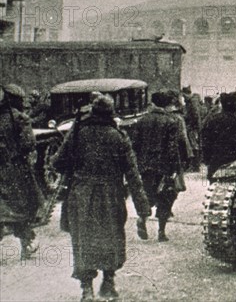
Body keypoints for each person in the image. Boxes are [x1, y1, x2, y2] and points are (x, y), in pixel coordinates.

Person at [52, 95, 150, 302]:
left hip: (81, 194)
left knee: (83, 240)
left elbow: (57, 163)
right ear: (112, 113)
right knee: (111, 238)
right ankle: (108, 283)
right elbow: (132, 174)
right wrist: (142, 210)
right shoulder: (119, 136)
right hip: (111, 195)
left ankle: (86, 289)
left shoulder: (78, 133)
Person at [129, 91, 189, 242]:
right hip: (164, 166)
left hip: (145, 166)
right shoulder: (171, 121)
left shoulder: (142, 121)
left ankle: (142, 218)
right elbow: (172, 148)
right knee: (166, 196)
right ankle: (161, 231)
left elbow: (134, 145)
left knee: (148, 194)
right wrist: (175, 167)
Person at [0, 84, 43, 260]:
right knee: (22, 206)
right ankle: (26, 244)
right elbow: (28, 144)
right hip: (16, 170)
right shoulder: (19, 118)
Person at [201, 92, 236, 181]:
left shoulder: (211, 121)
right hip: (235, 163)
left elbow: (206, 143)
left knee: (214, 189)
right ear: (235, 105)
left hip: (215, 161)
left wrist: (207, 160)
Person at [181, 86, 202, 172]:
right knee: (193, 145)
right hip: (194, 127)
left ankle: (195, 166)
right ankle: (194, 165)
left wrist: (192, 125)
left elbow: (195, 116)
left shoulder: (192, 102)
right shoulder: (193, 101)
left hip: (193, 128)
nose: (184, 99)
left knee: (193, 145)